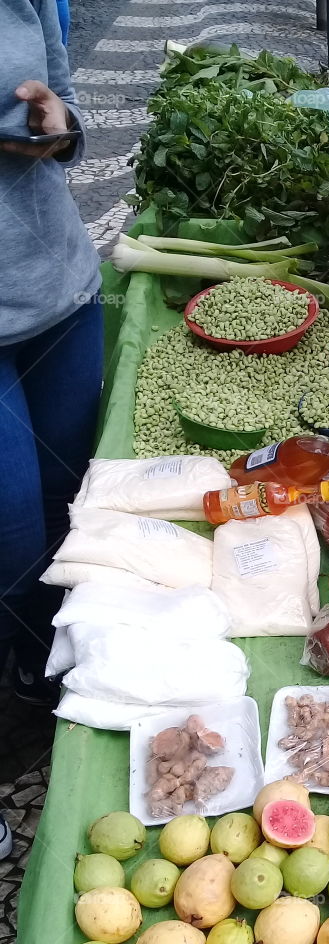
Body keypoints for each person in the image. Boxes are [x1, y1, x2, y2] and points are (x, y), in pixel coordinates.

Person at [1, 0, 103, 702]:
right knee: (13, 527)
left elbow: (62, 102)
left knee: (74, 502)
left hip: (58, 291)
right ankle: (32, 666)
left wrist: (60, 130)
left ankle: (63, 661)